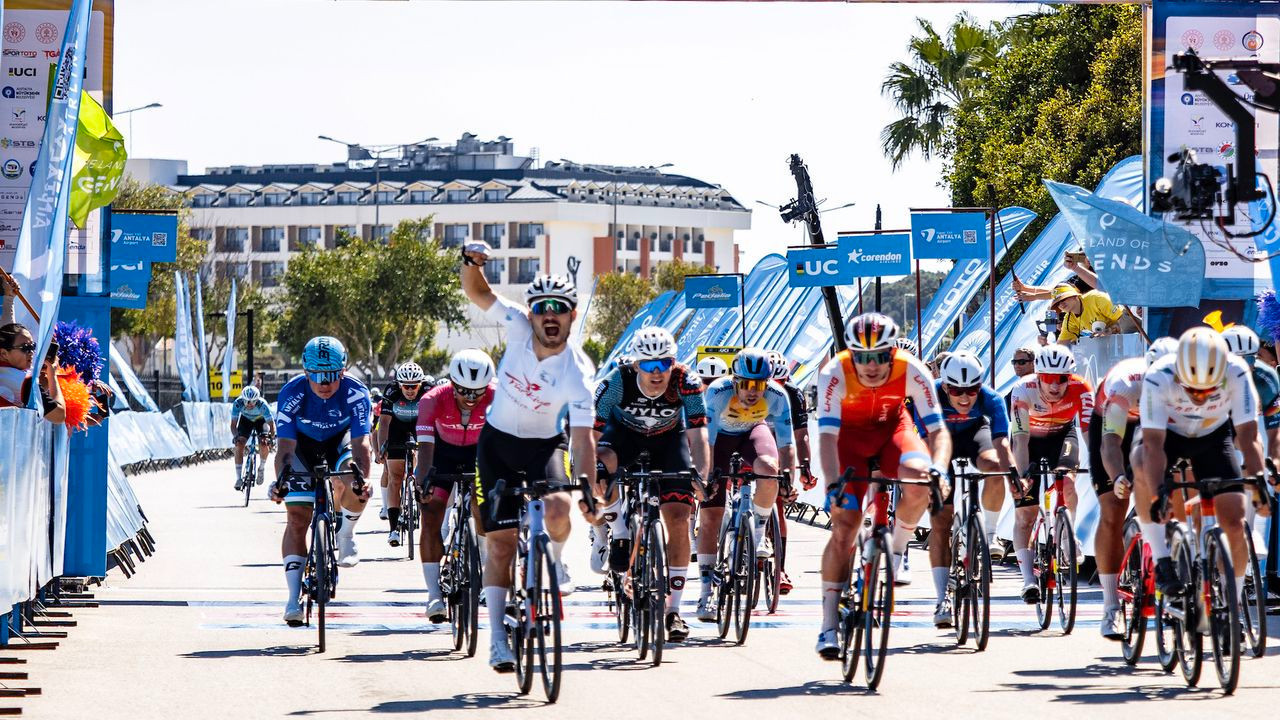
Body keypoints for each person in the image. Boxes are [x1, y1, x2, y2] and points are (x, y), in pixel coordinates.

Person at [460, 240, 596, 673]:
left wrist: (589, 488)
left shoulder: (579, 370)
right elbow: (479, 294)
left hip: (544, 447)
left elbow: (581, 438)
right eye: (542, 308)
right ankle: (498, 640)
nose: (550, 315)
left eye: (560, 308)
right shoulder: (517, 326)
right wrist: (471, 263)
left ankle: (552, 565)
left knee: (559, 509)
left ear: (572, 315)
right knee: (498, 544)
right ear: (531, 313)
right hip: (497, 445)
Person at [814, 313, 950, 658]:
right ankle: (828, 626)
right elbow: (827, 438)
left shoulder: (912, 368)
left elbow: (938, 431)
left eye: (878, 358)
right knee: (845, 527)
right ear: (851, 355)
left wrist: (940, 469)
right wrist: (833, 485)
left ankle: (898, 548)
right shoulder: (834, 373)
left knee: (921, 481)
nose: (870, 366)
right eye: (862, 357)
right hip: (849, 442)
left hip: (894, 432)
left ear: (892, 355)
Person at [1133, 328, 1267, 601]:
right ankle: (1162, 560)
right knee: (1139, 462)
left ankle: (1233, 604)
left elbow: (1248, 436)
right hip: (1168, 436)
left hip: (1213, 438)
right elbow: (1153, 445)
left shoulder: (1237, 371)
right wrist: (1159, 493)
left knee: (1235, 521)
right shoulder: (1160, 376)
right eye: (1192, 389)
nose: (1200, 396)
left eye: (1209, 389)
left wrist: (1259, 482)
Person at [594, 327, 710, 641]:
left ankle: (673, 611)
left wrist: (701, 474)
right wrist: (590, 474)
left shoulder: (687, 382)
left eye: (664, 363)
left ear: (674, 363)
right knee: (602, 463)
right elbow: (592, 435)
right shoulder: (617, 381)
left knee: (678, 518)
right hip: (622, 439)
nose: (657, 372)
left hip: (668, 443)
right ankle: (618, 531)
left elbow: (698, 436)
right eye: (648, 364)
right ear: (636, 366)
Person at [268, 336, 373, 626]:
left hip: (340, 445)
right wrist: (282, 480)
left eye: (331, 376)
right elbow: (285, 449)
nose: (324, 384)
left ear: (342, 371)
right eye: (317, 377)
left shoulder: (356, 392)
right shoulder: (292, 394)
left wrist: (363, 479)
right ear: (305, 373)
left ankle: (346, 534)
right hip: (301, 448)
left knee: (353, 480)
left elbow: (362, 444)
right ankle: (292, 598)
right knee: (297, 519)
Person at [697, 347, 803, 622]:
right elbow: (705, 443)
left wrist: (790, 477)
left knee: (770, 469)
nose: (753, 391)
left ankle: (757, 532)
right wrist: (706, 476)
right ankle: (706, 591)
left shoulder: (777, 396)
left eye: (759, 385)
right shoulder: (717, 393)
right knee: (710, 514)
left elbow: (786, 444)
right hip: (719, 439)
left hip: (753, 433)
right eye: (746, 385)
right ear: (734, 381)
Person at [1089, 336, 1177, 639]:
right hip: (1117, 426)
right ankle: (1110, 607)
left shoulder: (1186, 383)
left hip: (1155, 427)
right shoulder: (1126, 384)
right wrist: (1118, 479)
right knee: (1113, 509)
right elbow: (1110, 443)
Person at [919, 351, 1013, 628]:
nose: (964, 398)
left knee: (996, 467)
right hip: (938, 442)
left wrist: (1014, 475)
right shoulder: (929, 395)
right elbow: (923, 441)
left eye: (972, 390)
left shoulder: (991, 398)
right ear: (945, 386)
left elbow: (1002, 444)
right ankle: (941, 599)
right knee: (940, 522)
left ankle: (991, 534)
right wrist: (933, 474)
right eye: (957, 391)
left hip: (974, 437)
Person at [415, 349, 496, 623]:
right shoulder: (432, 400)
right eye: (464, 391)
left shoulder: (498, 397)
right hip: (440, 455)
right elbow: (425, 447)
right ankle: (433, 594)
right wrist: (423, 479)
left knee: (483, 505)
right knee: (430, 513)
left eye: (478, 392)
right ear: (452, 383)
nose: (471, 399)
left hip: (479, 454)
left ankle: (485, 573)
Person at [1008, 343, 1092, 603]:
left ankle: (1069, 534)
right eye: (1048, 379)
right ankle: (1028, 580)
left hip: (1062, 437)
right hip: (1029, 441)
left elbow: (1090, 434)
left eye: (1062, 379)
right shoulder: (1023, 389)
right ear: (1038, 376)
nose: (1055, 387)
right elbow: (1020, 440)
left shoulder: (1081, 388)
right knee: (1025, 514)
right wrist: (1022, 476)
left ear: (1070, 377)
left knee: (1067, 481)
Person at [766, 349, 812, 595]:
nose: (777, 389)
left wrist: (804, 468)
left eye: (782, 383)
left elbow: (801, 435)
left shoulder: (793, 395)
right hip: (749, 437)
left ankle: (780, 568)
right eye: (772, 384)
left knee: (779, 502)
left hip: (780, 442)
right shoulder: (751, 390)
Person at [376, 362, 428, 547]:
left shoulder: (429, 390)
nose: (410, 390)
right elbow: (384, 423)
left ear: (421, 384)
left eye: (414, 386)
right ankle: (393, 529)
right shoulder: (391, 391)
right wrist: (382, 447)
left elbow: (437, 420)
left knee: (427, 475)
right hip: (396, 429)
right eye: (406, 386)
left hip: (420, 426)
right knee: (395, 478)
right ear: (399, 384)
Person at [1222, 325, 1280, 463]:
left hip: (1243, 424)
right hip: (1213, 423)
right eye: (1236, 362)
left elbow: (1275, 431)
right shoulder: (1211, 375)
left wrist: (1276, 461)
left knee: (1255, 446)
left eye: (1250, 360)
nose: (1243, 367)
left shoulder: (1267, 377)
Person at [0, 322, 64, 423]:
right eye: (25, 348)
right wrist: (53, 376)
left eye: (32, 347)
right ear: (4, 354)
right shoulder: (24, 381)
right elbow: (59, 415)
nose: (31, 352)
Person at [1048, 283, 1130, 344]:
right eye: (1057, 303)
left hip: (1133, 338)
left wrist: (1110, 330)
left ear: (1074, 295)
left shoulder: (1096, 298)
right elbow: (1060, 346)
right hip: (1114, 346)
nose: (1061, 304)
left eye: (1063, 299)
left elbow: (1127, 320)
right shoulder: (1069, 320)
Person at [231, 385, 274, 490]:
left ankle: (262, 468)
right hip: (245, 421)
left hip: (261, 421)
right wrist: (236, 436)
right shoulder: (237, 403)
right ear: (243, 399)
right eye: (247, 402)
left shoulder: (262, 405)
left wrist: (271, 438)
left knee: (264, 442)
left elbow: (271, 425)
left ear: (257, 399)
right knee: (239, 444)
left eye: (253, 401)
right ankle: (238, 478)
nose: (250, 404)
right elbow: (233, 425)